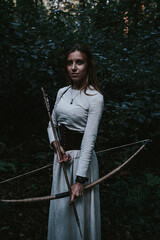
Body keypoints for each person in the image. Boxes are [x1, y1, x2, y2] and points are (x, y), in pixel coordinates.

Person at [47, 43, 104, 240]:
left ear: (88, 65)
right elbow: (51, 125)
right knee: (61, 212)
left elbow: (89, 139)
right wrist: (57, 146)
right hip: (62, 159)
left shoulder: (95, 97)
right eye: (70, 63)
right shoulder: (62, 92)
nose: (73, 67)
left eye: (79, 62)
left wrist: (80, 180)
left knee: (80, 213)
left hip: (82, 163)